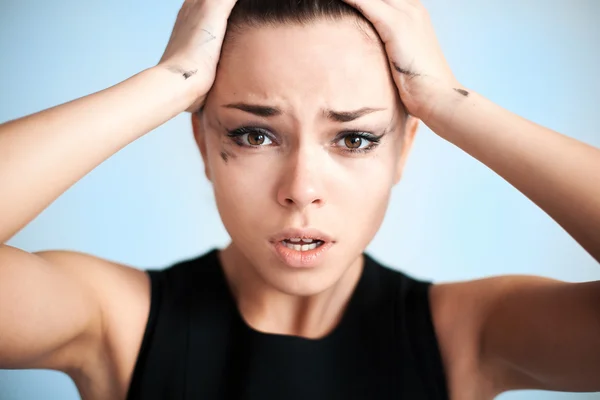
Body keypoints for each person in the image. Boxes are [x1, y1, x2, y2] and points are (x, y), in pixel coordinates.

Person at [0, 0, 599, 399]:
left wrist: (450, 103)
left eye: (356, 138)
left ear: (404, 149)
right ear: (203, 142)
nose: (301, 191)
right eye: (255, 134)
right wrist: (169, 82)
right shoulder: (116, 322)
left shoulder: (470, 334)